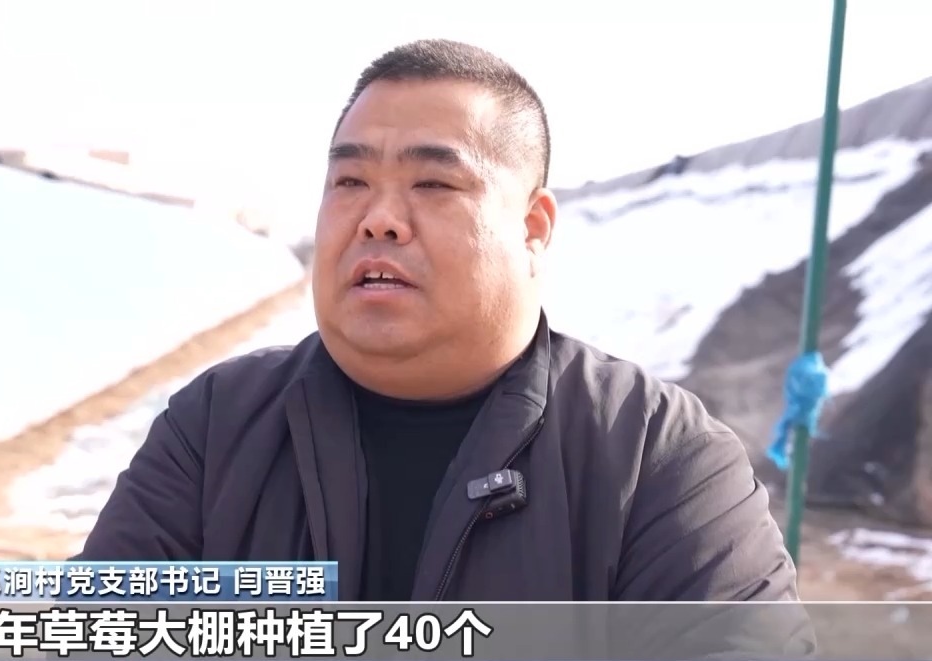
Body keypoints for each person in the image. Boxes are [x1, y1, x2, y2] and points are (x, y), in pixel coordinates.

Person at [78, 38, 813, 655]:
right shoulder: (217, 427)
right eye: (350, 180)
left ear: (533, 228)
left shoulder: (656, 454)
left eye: (433, 183)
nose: (379, 218)